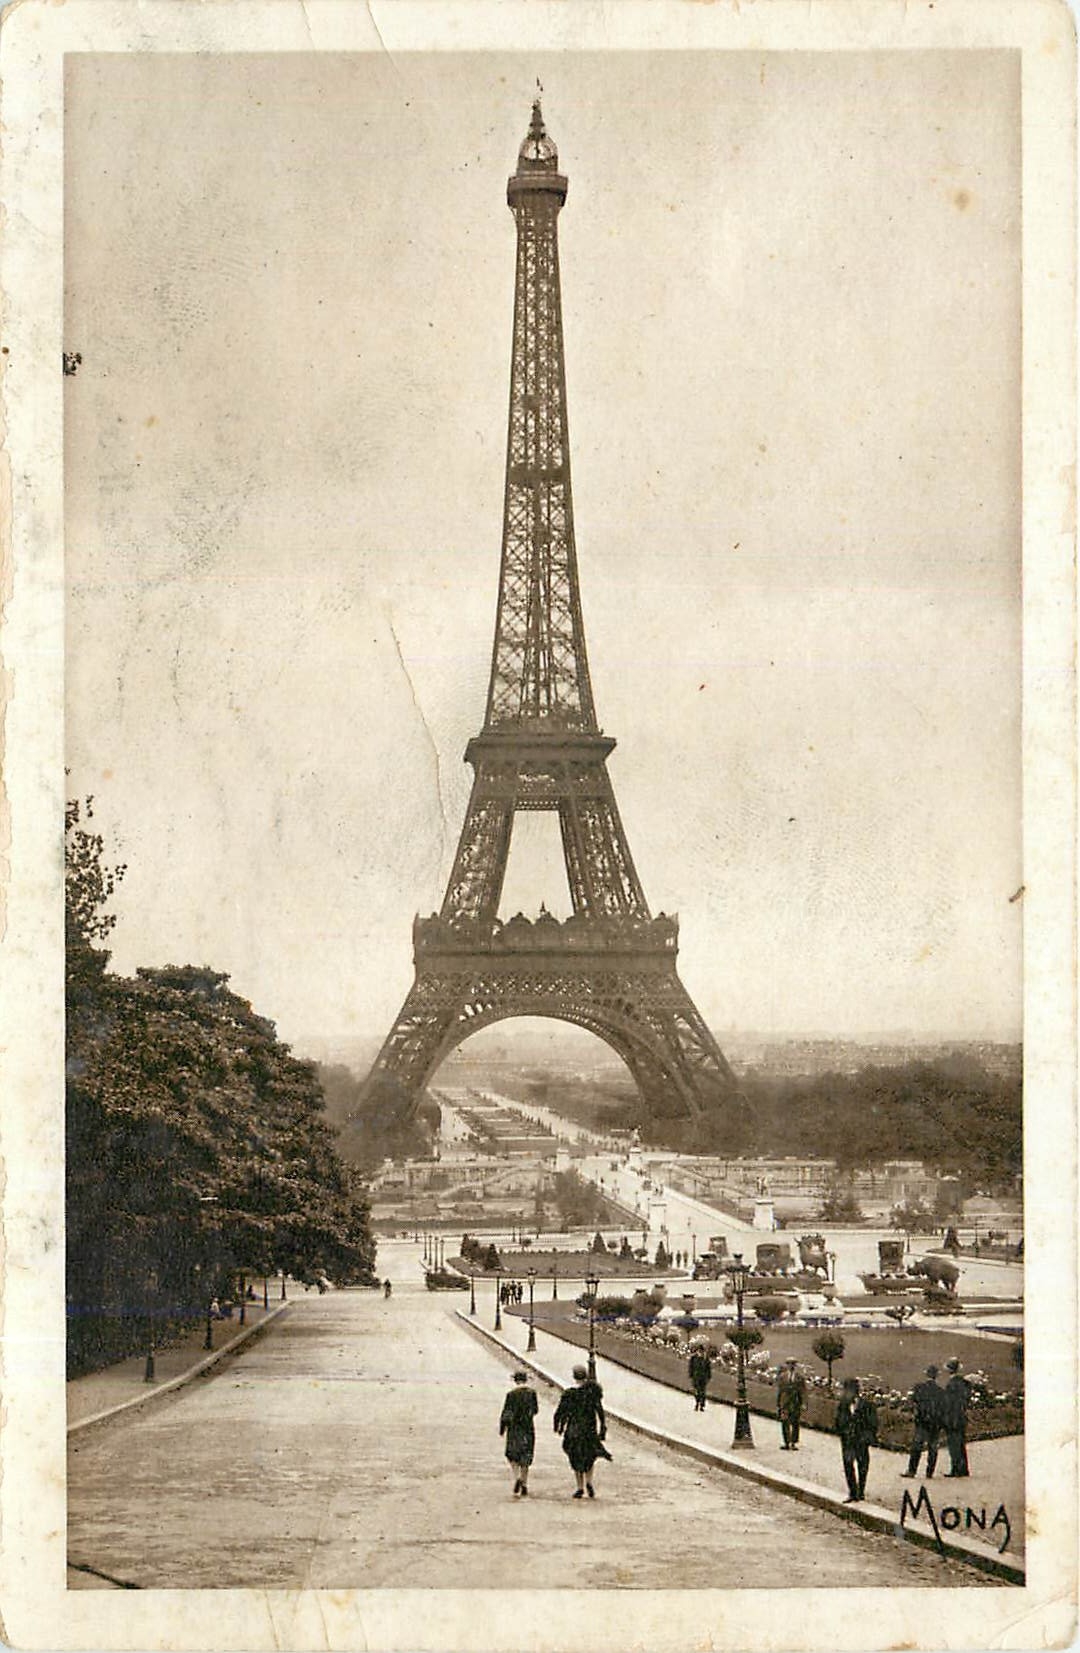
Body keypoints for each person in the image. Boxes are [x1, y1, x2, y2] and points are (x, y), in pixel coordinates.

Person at [553, 1364, 612, 1498]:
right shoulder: (592, 1392)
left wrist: (559, 1426)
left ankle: (580, 1486)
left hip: (574, 1429)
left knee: (575, 1456)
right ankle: (589, 1481)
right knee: (589, 1456)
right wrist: (602, 1426)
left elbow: (561, 1411)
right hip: (589, 1429)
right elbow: (600, 1411)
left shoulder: (569, 1394)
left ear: (574, 1376)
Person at [835, 1377, 877, 1503]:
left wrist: (867, 1438)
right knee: (848, 1465)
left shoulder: (867, 1405)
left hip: (861, 1441)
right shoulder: (843, 1404)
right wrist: (843, 1432)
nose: (845, 1393)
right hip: (848, 1440)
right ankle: (852, 1492)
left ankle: (861, 1491)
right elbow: (838, 1420)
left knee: (862, 1466)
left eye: (847, 1390)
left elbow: (873, 1423)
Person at [499, 1370, 539, 1497]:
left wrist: (502, 1428)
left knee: (512, 1454)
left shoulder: (511, 1395)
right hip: (528, 1427)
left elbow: (506, 1413)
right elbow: (535, 1410)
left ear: (515, 1380)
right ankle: (524, 1482)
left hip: (514, 1428)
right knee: (526, 1456)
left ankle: (517, 1477)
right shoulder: (532, 1393)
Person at [902, 1364, 944, 1479]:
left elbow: (913, 1402)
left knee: (917, 1446)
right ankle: (929, 1472)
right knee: (933, 1447)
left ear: (926, 1374)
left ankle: (912, 1470)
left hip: (922, 1421)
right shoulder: (940, 1391)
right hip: (935, 1423)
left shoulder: (919, 1388)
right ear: (936, 1376)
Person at [943, 1357, 971, 1476]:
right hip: (961, 1416)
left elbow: (948, 1403)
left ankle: (956, 1469)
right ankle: (963, 1468)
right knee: (961, 1443)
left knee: (953, 1444)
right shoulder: (964, 1383)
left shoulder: (951, 1384)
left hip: (952, 1417)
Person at [777, 1358, 807, 1450]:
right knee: (785, 1422)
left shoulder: (799, 1377)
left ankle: (793, 1442)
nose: (791, 1366)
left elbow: (803, 1391)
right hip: (785, 1403)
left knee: (795, 1422)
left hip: (795, 1402)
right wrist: (779, 1403)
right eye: (789, 1364)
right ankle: (786, 1442)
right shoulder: (782, 1376)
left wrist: (803, 1403)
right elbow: (780, 1391)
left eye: (793, 1364)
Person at [688, 1343, 712, 1412]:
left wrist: (708, 1376)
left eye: (701, 1351)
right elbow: (691, 1367)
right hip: (696, 1377)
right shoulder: (694, 1357)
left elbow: (708, 1368)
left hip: (703, 1377)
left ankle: (702, 1404)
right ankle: (697, 1402)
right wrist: (691, 1374)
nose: (700, 1352)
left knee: (702, 1391)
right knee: (697, 1391)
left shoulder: (705, 1358)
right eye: (699, 1350)